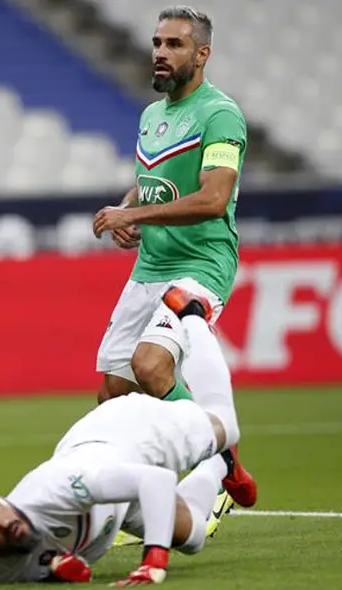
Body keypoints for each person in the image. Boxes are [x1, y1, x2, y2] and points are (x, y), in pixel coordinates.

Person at [0, 287, 253, 586]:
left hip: (128, 435)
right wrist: (59, 568)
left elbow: (155, 480)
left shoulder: (54, 490)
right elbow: (51, 566)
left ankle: (193, 315)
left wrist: (153, 560)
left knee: (226, 425)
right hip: (111, 494)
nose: (2, 523)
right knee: (193, 538)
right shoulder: (2, 571)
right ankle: (218, 466)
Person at [90, 6, 257, 529]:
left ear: (201, 54)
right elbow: (149, 180)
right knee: (113, 391)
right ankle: (143, 510)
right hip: (149, 265)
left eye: (175, 44)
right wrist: (128, 211)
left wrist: (133, 211)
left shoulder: (221, 115)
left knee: (152, 366)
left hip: (201, 265)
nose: (161, 52)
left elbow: (212, 198)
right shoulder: (150, 115)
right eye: (158, 42)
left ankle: (222, 467)